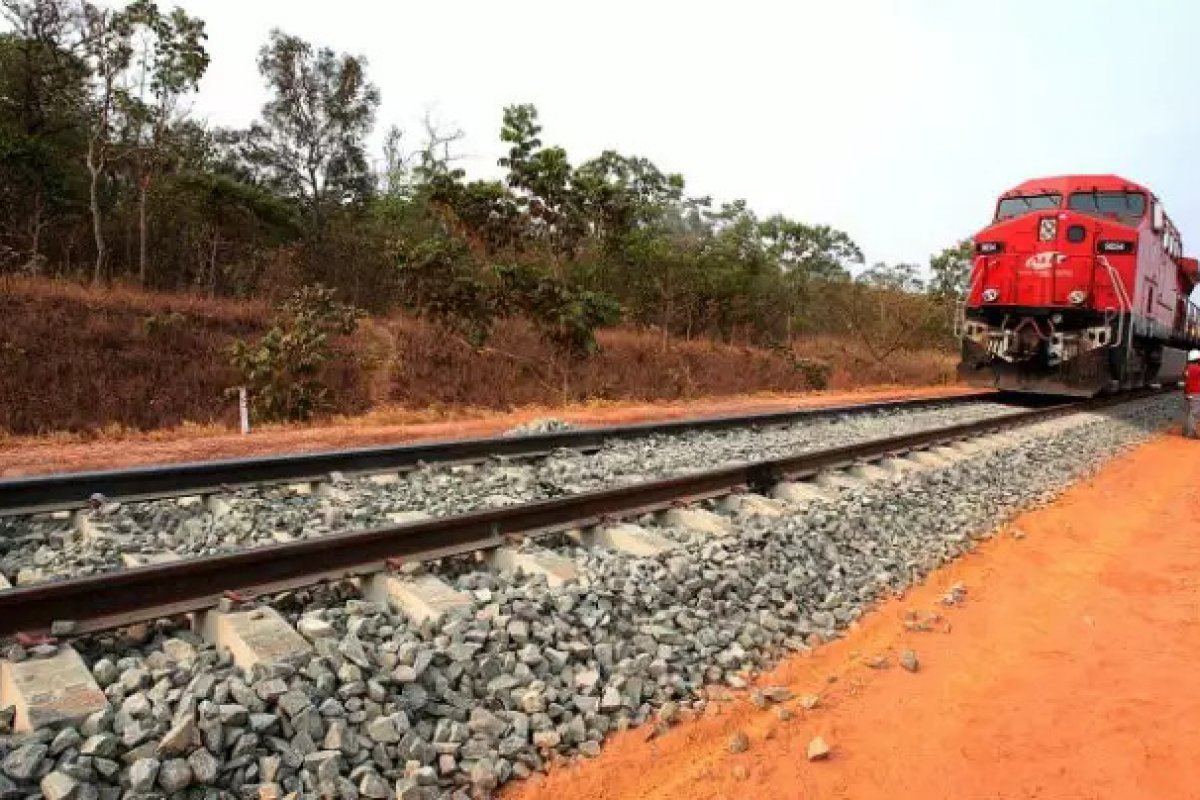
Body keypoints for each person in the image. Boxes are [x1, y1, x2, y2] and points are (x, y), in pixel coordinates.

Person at [1185, 350, 1200, 438]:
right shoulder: (1198, 368)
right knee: (1194, 413)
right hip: (1196, 393)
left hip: (1188, 392)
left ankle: (1187, 430)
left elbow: (1186, 379)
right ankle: (1191, 433)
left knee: (1190, 412)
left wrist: (1187, 393)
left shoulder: (1187, 368)